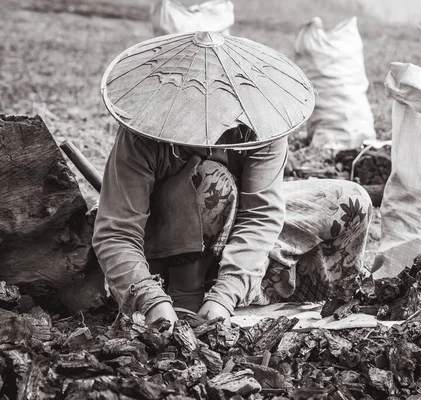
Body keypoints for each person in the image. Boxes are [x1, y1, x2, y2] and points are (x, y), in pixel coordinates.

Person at [93, 32, 373, 328]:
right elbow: (117, 231)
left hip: (235, 232)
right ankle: (185, 300)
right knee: (214, 181)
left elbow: (261, 213)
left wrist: (225, 295)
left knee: (349, 201)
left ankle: (248, 293)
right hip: (162, 253)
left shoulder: (261, 123)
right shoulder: (142, 135)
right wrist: (150, 299)